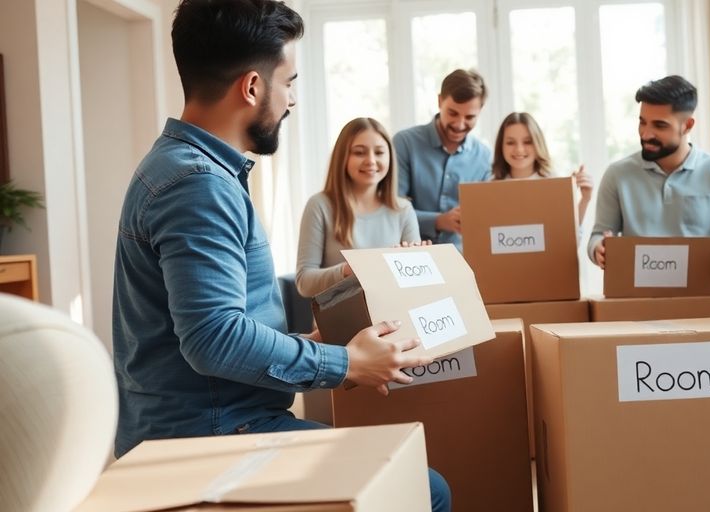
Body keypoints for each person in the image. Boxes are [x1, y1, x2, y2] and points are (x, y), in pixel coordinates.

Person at [110, 2, 450, 510]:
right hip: (213, 431)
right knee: (427, 491)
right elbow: (212, 339)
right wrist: (345, 363)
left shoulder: (181, 167)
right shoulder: (198, 184)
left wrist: (309, 344)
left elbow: (212, 324)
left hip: (205, 418)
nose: (292, 99)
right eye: (288, 82)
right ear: (252, 87)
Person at [588, 75, 710, 282]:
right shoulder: (617, 174)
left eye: (659, 125)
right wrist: (598, 249)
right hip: (634, 293)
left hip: (697, 291)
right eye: (642, 122)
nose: (646, 134)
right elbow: (597, 236)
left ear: (687, 125)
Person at [296, 117, 422, 298]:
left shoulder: (404, 209)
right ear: (343, 157)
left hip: (394, 311)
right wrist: (347, 270)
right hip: (343, 314)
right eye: (359, 152)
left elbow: (415, 284)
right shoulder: (319, 206)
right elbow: (304, 282)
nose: (371, 160)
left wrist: (422, 260)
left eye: (379, 152)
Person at [394, 69, 492, 250]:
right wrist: (439, 221)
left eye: (470, 117)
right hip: (413, 255)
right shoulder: (405, 143)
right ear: (440, 101)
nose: (460, 124)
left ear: (480, 111)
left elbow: (487, 218)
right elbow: (391, 210)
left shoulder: (484, 156)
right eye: (453, 113)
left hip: (465, 257)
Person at [492, 112, 593, 224]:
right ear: (501, 146)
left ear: (537, 144)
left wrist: (584, 199)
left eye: (527, 142)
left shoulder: (554, 184)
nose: (519, 149)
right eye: (510, 142)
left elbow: (568, 229)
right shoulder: (490, 189)